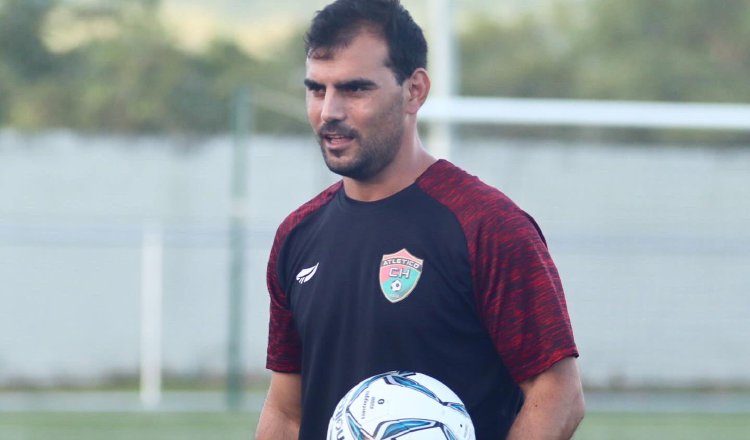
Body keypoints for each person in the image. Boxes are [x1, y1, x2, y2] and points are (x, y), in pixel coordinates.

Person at [256, 0, 584, 438]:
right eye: (317, 89)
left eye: (355, 89)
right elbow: (286, 412)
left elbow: (559, 393)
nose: (329, 111)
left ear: (414, 91)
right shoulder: (298, 236)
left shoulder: (488, 227)